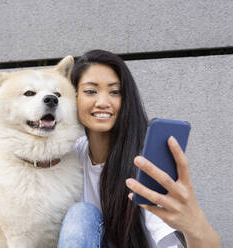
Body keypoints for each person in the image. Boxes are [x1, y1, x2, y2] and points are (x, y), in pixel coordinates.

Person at [57, 49, 220, 248]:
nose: (102, 102)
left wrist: (195, 223)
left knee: (80, 215)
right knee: (81, 215)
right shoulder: (71, 155)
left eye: (115, 92)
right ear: (72, 98)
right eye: (90, 91)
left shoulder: (144, 162)